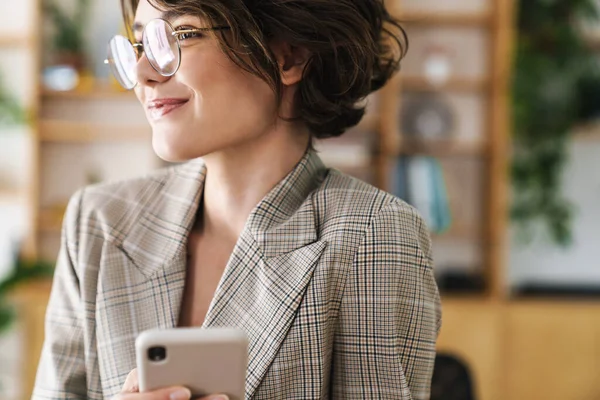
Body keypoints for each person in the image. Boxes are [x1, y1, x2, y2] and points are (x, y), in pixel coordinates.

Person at [33, 0, 442, 398]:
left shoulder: (374, 237)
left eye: (181, 35)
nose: (142, 72)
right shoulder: (99, 221)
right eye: (139, 45)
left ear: (289, 58)